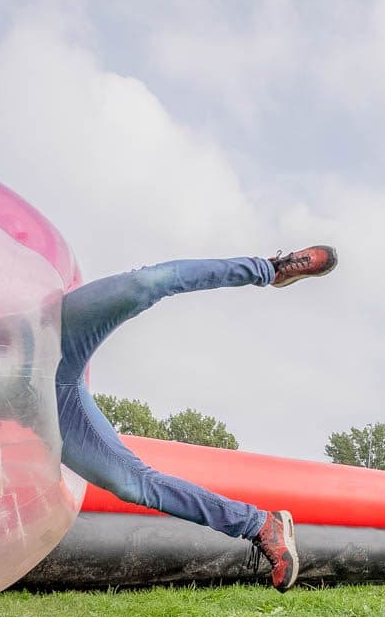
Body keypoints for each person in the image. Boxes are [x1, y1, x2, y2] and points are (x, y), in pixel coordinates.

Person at [55, 248, 337, 592]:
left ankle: (269, 269)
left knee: (145, 284)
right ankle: (261, 525)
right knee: (129, 484)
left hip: (53, 338)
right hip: (28, 405)